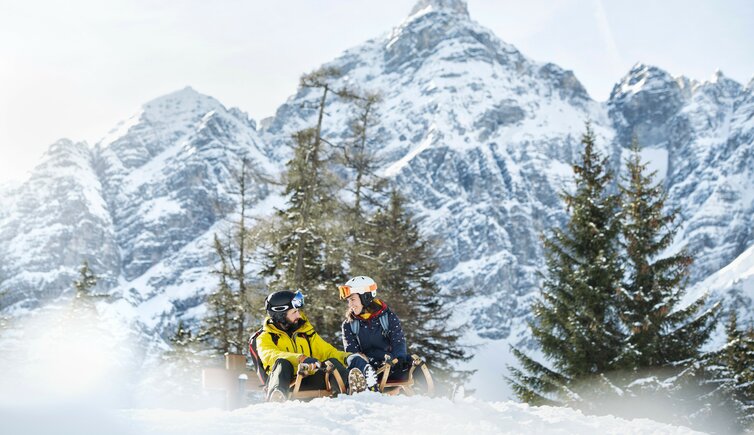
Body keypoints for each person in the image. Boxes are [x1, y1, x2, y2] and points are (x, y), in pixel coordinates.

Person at [256, 290, 352, 402]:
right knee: (282, 362)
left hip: (311, 380)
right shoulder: (265, 337)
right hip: (287, 384)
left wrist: (348, 357)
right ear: (280, 315)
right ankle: (277, 398)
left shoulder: (305, 332)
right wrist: (300, 358)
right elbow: (271, 356)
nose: (298, 315)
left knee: (332, 362)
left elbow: (327, 351)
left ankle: (348, 393)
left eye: (298, 311)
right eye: (294, 312)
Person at [338, 276, 415, 391]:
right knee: (352, 359)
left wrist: (399, 359)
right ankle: (369, 385)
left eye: (352, 299)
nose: (350, 305)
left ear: (365, 297)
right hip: (365, 370)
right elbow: (352, 352)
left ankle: (432, 398)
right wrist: (372, 359)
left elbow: (398, 341)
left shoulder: (388, 317)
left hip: (389, 367)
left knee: (414, 362)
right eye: (348, 301)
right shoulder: (349, 324)